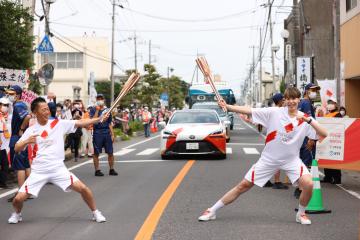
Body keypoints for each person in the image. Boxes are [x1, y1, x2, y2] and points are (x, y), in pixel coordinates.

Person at [198, 87, 328, 225]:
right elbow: (249, 110)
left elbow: (324, 134)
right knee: (243, 186)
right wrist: (228, 106)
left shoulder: (304, 119)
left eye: (294, 98)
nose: (291, 102)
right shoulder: (274, 113)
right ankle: (212, 210)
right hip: (269, 159)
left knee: (308, 183)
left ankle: (301, 214)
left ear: (298, 100)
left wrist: (309, 120)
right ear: (285, 100)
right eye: (288, 99)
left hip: (291, 160)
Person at [8, 97, 106, 224]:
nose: (46, 112)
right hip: (39, 171)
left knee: (83, 188)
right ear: (35, 112)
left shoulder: (58, 124)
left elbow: (81, 122)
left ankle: (95, 212)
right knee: (18, 199)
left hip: (58, 169)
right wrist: (26, 141)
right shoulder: (31, 130)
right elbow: (16, 148)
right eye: (43, 109)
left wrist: (99, 119)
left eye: (47, 109)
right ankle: (17, 214)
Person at [294, 83, 320, 198]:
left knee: (300, 162)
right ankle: (300, 189)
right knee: (305, 162)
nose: (315, 92)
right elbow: (309, 121)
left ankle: (299, 187)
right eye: (312, 90)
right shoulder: (306, 103)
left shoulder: (302, 103)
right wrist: (311, 138)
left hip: (300, 137)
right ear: (306, 91)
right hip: (306, 137)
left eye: (316, 90)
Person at [7, 85, 32, 202]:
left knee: (19, 166)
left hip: (18, 138)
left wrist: (21, 128)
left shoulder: (18, 105)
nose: (9, 96)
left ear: (17, 94)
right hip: (22, 138)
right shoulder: (20, 104)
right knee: (26, 165)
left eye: (11, 94)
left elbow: (27, 116)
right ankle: (29, 190)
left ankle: (20, 192)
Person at [90, 94, 117, 177]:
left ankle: (111, 169)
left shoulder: (107, 110)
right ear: (96, 100)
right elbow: (92, 121)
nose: (100, 100)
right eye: (98, 99)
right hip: (97, 133)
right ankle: (97, 170)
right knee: (96, 153)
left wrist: (112, 134)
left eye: (101, 98)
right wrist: (97, 111)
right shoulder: (93, 109)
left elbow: (109, 123)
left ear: (104, 99)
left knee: (110, 152)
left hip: (106, 132)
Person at [269, 93, 288, 190]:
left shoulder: (273, 110)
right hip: (277, 138)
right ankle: (277, 181)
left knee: (271, 160)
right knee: (277, 160)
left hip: (271, 137)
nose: (284, 101)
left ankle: (265, 180)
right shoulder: (279, 111)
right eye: (283, 99)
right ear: (279, 101)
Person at [322, 98, 342, 184]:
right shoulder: (326, 115)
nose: (329, 104)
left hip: (335, 140)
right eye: (328, 103)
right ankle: (328, 177)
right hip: (326, 139)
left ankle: (337, 178)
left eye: (331, 103)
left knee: (334, 159)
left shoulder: (338, 114)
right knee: (326, 158)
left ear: (335, 105)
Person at [0, 97, 11, 188]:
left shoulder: (8, 117)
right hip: (1, 144)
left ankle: (3, 183)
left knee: (5, 164)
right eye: (4, 105)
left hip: (4, 144)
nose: (5, 107)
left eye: (7, 105)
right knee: (4, 164)